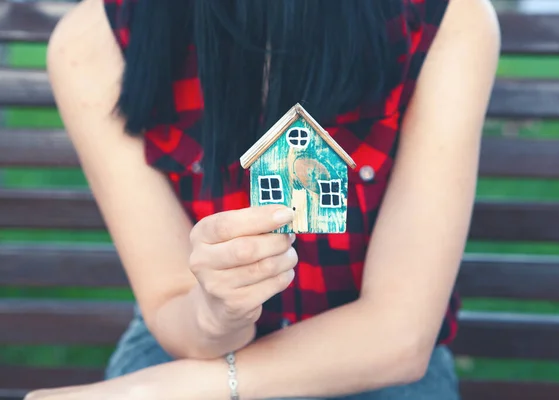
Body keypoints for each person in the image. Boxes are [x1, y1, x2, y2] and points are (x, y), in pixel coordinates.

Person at [26, 0, 499, 398]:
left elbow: (400, 335)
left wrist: (170, 388)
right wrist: (218, 312)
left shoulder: (445, 16)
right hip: (188, 346)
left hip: (369, 362)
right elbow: (173, 305)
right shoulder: (93, 42)